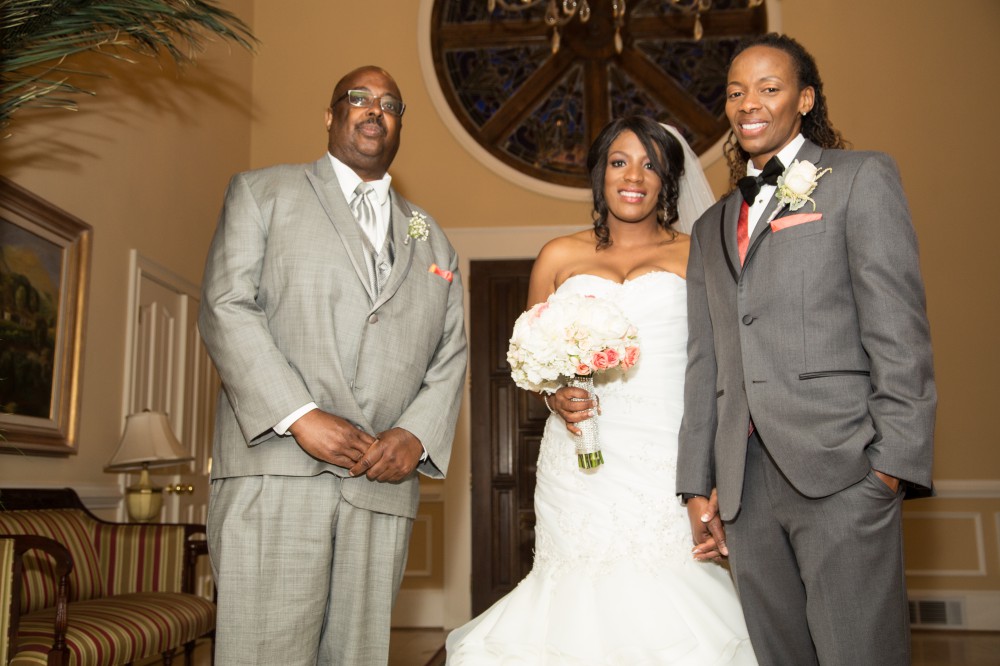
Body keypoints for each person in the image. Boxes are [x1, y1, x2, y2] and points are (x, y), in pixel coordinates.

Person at [446, 116, 757, 664]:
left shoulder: (699, 255)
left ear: (668, 180)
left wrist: (711, 475)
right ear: (600, 174)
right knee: (573, 594)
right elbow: (531, 363)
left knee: (670, 591)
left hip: (667, 459)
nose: (633, 176)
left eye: (649, 165)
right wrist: (554, 398)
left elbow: (722, 372)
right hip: (577, 465)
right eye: (619, 162)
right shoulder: (558, 257)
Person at [677, 33, 935, 666]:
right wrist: (697, 485)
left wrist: (889, 467)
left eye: (769, 88)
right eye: (736, 92)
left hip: (843, 470)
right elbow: (705, 361)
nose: (749, 103)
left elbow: (898, 331)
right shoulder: (710, 227)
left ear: (805, 99)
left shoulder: (859, 178)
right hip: (743, 486)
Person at [199, 65, 467, 665]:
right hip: (277, 473)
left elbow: (450, 353)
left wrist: (415, 434)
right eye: (360, 97)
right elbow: (226, 306)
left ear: (399, 126)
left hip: (380, 487)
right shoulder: (262, 193)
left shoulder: (434, 241)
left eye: (391, 105)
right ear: (330, 115)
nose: (376, 110)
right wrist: (299, 415)